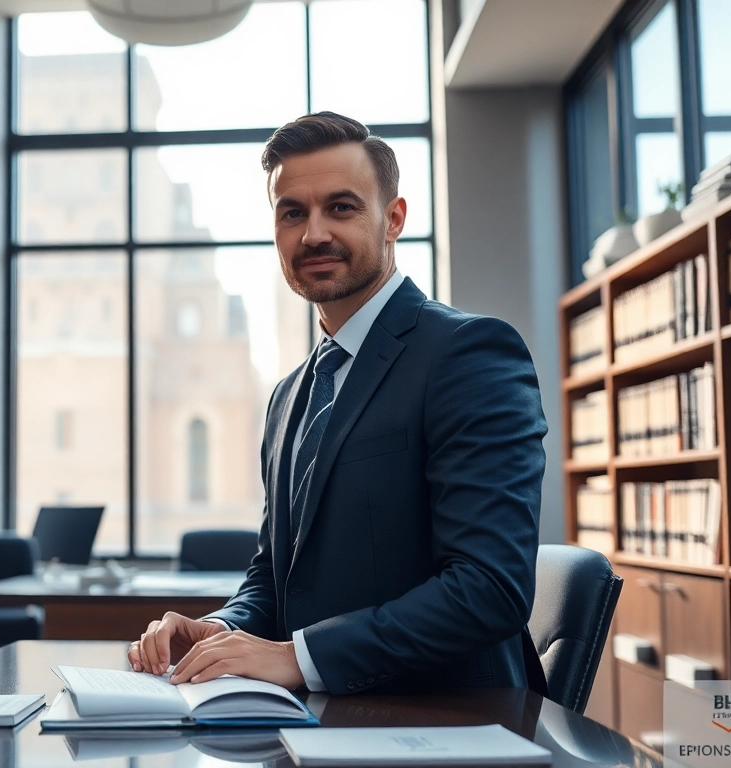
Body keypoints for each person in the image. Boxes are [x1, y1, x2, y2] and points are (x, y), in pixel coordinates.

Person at [128, 112, 548, 695]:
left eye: (341, 208)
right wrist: (220, 629)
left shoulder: (469, 353)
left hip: (448, 719)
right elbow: (275, 577)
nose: (313, 234)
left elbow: (488, 587)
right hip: (316, 720)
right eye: (292, 213)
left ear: (393, 219)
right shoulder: (287, 397)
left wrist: (298, 659)